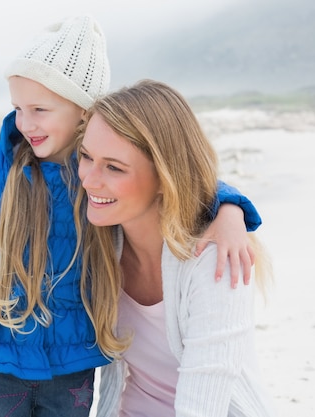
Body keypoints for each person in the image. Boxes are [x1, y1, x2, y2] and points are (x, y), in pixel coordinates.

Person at [0, 16, 262, 417]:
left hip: (71, 362)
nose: (25, 122)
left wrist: (230, 210)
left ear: (85, 113)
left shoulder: (93, 176)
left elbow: (175, 172)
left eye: (40, 108)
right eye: (18, 108)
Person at [75, 79, 276, 416]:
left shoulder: (216, 258)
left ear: (164, 175)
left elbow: (204, 400)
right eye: (85, 156)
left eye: (113, 167)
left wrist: (229, 210)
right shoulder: (97, 241)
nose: (89, 179)